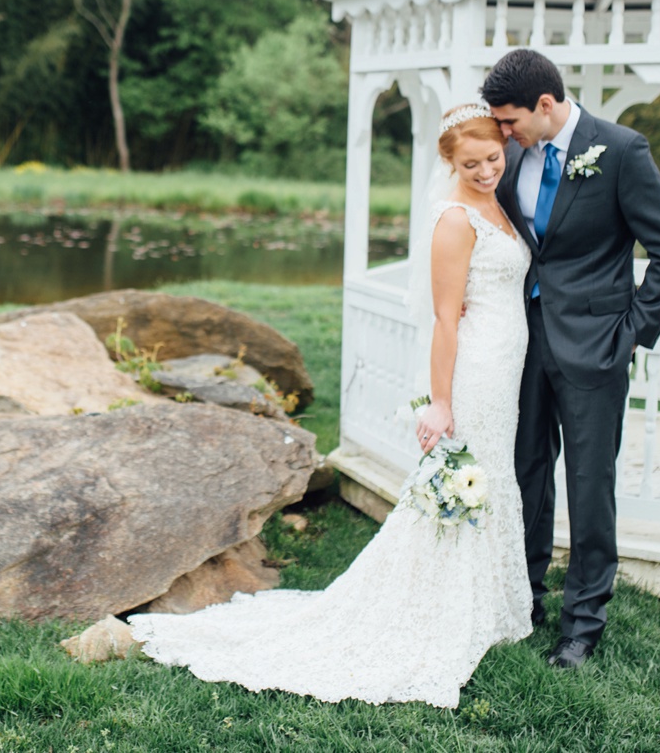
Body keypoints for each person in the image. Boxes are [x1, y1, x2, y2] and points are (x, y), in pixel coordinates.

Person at [128, 105, 532, 707]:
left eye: (492, 160)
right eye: (469, 164)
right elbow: (446, 321)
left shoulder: (501, 198)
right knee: (466, 481)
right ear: (447, 162)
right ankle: (439, 613)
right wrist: (441, 403)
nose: (484, 171)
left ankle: (484, 607)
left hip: (505, 369)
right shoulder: (453, 220)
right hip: (474, 373)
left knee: (492, 479)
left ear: (504, 146)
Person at [482, 49, 660, 670]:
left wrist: (630, 333)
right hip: (524, 338)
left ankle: (583, 625)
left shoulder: (621, 151)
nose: (502, 134)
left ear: (545, 106)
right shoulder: (515, 152)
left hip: (597, 346)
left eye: (510, 121)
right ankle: (525, 596)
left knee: (589, 483)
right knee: (528, 470)